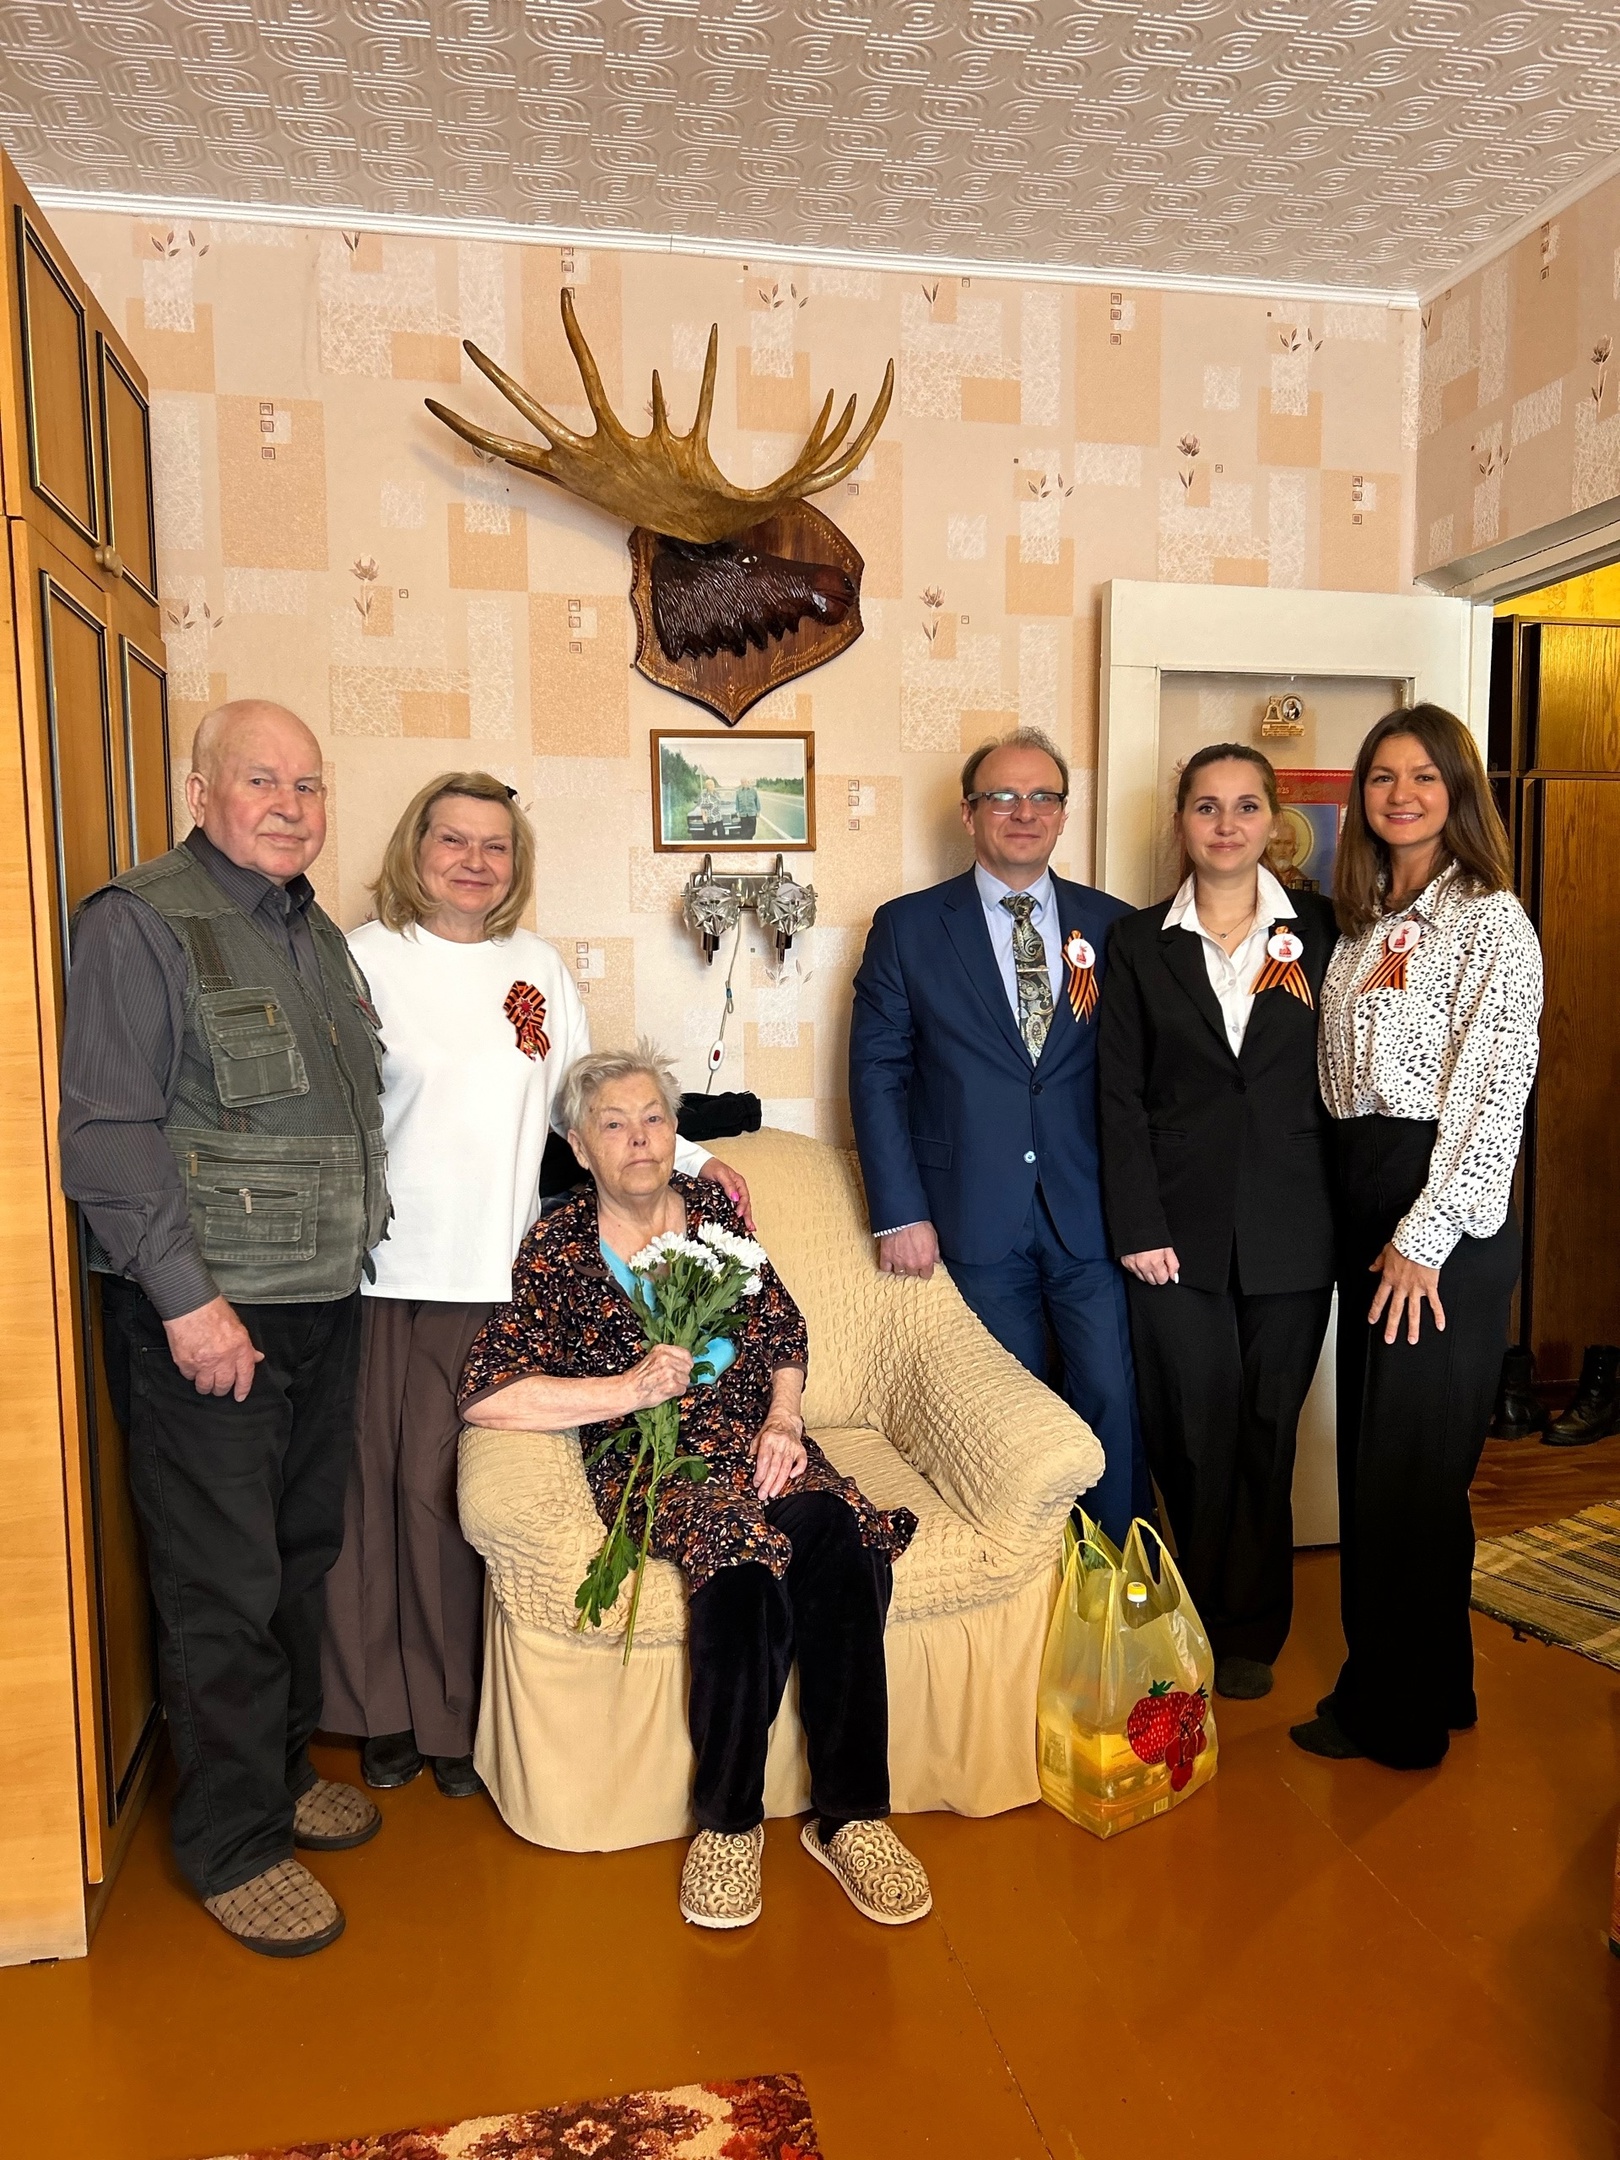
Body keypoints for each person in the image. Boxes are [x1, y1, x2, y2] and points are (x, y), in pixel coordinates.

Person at [322, 774, 749, 1800]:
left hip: (493, 1271)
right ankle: (378, 1714)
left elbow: (587, 1100)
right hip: (378, 1269)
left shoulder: (538, 968)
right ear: (414, 847)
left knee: (441, 1497)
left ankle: (449, 1719)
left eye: (496, 846)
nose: (474, 861)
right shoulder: (359, 958)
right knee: (365, 1495)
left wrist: (693, 1156)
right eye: (453, 840)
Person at [458, 1047, 931, 1932]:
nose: (639, 1139)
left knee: (837, 1534)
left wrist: (784, 1420)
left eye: (654, 1120)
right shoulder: (558, 1249)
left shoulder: (714, 1215)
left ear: (675, 1133)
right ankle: (729, 1823)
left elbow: (781, 1325)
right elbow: (488, 1392)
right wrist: (624, 1391)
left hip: (758, 1440)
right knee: (739, 1557)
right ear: (579, 1146)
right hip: (658, 1461)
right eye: (614, 1125)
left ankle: (852, 1817)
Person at [58, 700, 390, 1958]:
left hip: (321, 1302)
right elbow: (107, 1133)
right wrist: (190, 1305)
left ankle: (282, 1775)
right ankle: (234, 1843)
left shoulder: (316, 933)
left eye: (309, 785)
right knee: (223, 1584)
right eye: (263, 781)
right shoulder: (141, 922)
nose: (291, 807)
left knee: (299, 1559)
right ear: (201, 794)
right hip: (208, 1318)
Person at [1291, 704, 1541, 1770]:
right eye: (1383, 777)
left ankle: (1390, 1717)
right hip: (1368, 1193)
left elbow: (1493, 1098)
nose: (1401, 795)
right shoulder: (1363, 920)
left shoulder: (1491, 920)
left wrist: (1423, 1236)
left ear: (1458, 791)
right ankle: (1441, 1680)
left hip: (1437, 1212)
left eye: (1424, 776)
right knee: (1400, 1464)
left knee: (1403, 1474)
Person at [848, 726, 1150, 1545]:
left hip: (1091, 1210)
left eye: (1043, 796)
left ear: (1063, 813)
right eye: (1004, 796)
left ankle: (1114, 1577)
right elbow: (877, 1074)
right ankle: (1030, 1579)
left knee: (1111, 1397)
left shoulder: (1114, 928)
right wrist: (898, 1212)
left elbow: (1140, 1077)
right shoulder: (909, 927)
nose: (1025, 812)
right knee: (1008, 1409)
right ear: (969, 813)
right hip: (970, 1214)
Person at [1099, 744, 1337, 1701]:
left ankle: (1253, 1630)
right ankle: (1190, 1616)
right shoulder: (1136, 943)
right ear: (1181, 823)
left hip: (1296, 1224)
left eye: (1245, 806)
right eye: (1207, 806)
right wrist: (1135, 1222)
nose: (1226, 825)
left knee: (1268, 1432)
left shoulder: (1328, 930)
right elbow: (1118, 1096)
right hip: (1172, 1231)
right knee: (1192, 1432)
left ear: (1273, 820)